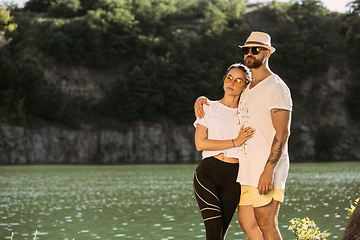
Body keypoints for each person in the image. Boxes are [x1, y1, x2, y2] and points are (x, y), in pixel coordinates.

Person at [194, 31, 293, 240]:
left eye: (255, 49)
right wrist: (201, 99)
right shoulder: (248, 88)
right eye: (246, 49)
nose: (249, 53)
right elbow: (226, 99)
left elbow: (283, 132)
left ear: (267, 53)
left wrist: (268, 170)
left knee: (266, 223)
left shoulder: (275, 87)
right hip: (245, 171)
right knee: (247, 223)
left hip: (264, 170)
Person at [193, 63, 255, 240]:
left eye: (238, 81)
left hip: (234, 177)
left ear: (245, 86)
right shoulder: (208, 107)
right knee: (213, 231)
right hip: (208, 173)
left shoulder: (247, 114)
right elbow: (200, 143)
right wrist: (235, 142)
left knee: (220, 234)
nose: (231, 83)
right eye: (229, 78)